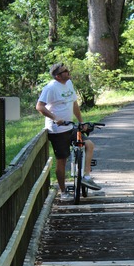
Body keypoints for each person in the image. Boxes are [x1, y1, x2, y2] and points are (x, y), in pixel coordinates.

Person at [36, 63, 101, 201]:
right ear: (58, 76)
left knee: (89, 144)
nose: (68, 72)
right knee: (62, 161)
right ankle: (64, 191)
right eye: (65, 71)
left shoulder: (69, 83)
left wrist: (81, 121)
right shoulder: (51, 88)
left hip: (71, 127)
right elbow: (39, 106)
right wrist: (55, 118)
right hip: (57, 130)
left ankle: (86, 176)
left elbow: (74, 103)